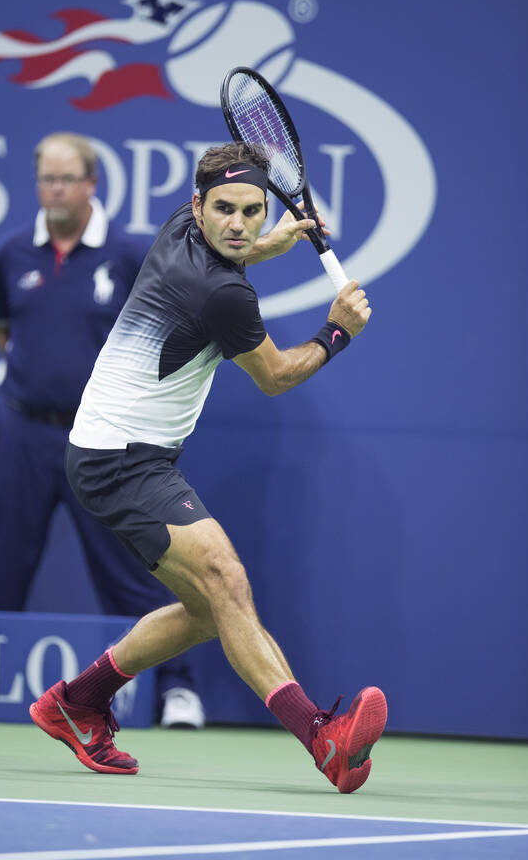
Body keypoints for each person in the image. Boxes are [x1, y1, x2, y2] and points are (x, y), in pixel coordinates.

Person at [29, 140, 387, 793]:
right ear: (199, 205)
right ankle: (321, 738)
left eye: (251, 211)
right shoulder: (221, 293)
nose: (237, 224)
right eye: (224, 209)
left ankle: (76, 703)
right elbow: (277, 375)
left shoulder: (180, 228)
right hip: (119, 460)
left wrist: (273, 244)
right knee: (225, 578)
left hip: (121, 451)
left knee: (206, 611)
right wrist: (336, 333)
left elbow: (234, 247)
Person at [0, 131, 205, 728]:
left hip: (102, 443)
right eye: (45, 179)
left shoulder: (127, 257)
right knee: (3, 568)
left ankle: (175, 691)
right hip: (23, 434)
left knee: (136, 571)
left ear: (91, 184)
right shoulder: (10, 254)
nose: (54, 190)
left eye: (65, 179)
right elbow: (3, 329)